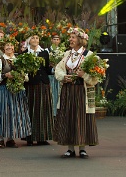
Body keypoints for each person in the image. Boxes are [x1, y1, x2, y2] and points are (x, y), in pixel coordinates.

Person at [54, 27, 99, 158]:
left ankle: (82, 148)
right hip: (68, 90)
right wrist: (64, 76)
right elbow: (58, 69)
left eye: (73, 37)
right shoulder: (66, 54)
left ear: (80, 39)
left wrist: (84, 75)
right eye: (70, 37)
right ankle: (70, 148)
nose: (70, 39)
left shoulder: (89, 55)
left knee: (81, 118)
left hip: (81, 91)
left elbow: (95, 77)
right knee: (68, 117)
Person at [0, 36, 31, 148]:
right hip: (3, 90)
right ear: (3, 47)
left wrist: (21, 76)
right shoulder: (0, 60)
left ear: (14, 47)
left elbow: (26, 77)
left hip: (16, 91)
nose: (9, 47)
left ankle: (10, 138)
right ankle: (0, 139)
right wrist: (5, 75)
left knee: (13, 113)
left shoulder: (18, 60)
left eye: (11, 45)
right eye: (7, 45)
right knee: (2, 112)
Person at [23, 32, 54, 146]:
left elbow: (46, 68)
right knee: (30, 109)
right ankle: (29, 137)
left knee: (43, 110)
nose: (35, 40)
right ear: (29, 40)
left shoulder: (45, 52)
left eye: (37, 38)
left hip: (43, 84)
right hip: (31, 84)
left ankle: (42, 137)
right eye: (33, 38)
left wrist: (55, 70)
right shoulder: (25, 53)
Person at [48, 34, 61, 117]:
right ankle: (51, 113)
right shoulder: (47, 51)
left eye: (57, 39)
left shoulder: (62, 51)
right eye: (54, 39)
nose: (56, 41)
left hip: (59, 77)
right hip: (51, 76)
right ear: (51, 40)